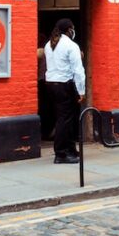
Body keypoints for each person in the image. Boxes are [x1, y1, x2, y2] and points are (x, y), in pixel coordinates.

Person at [43, 18, 85, 164]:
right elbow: (78, 70)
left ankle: (70, 149)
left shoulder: (49, 44)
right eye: (72, 28)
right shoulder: (71, 45)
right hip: (64, 85)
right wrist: (81, 90)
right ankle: (61, 154)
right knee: (65, 119)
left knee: (67, 118)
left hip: (51, 84)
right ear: (69, 30)